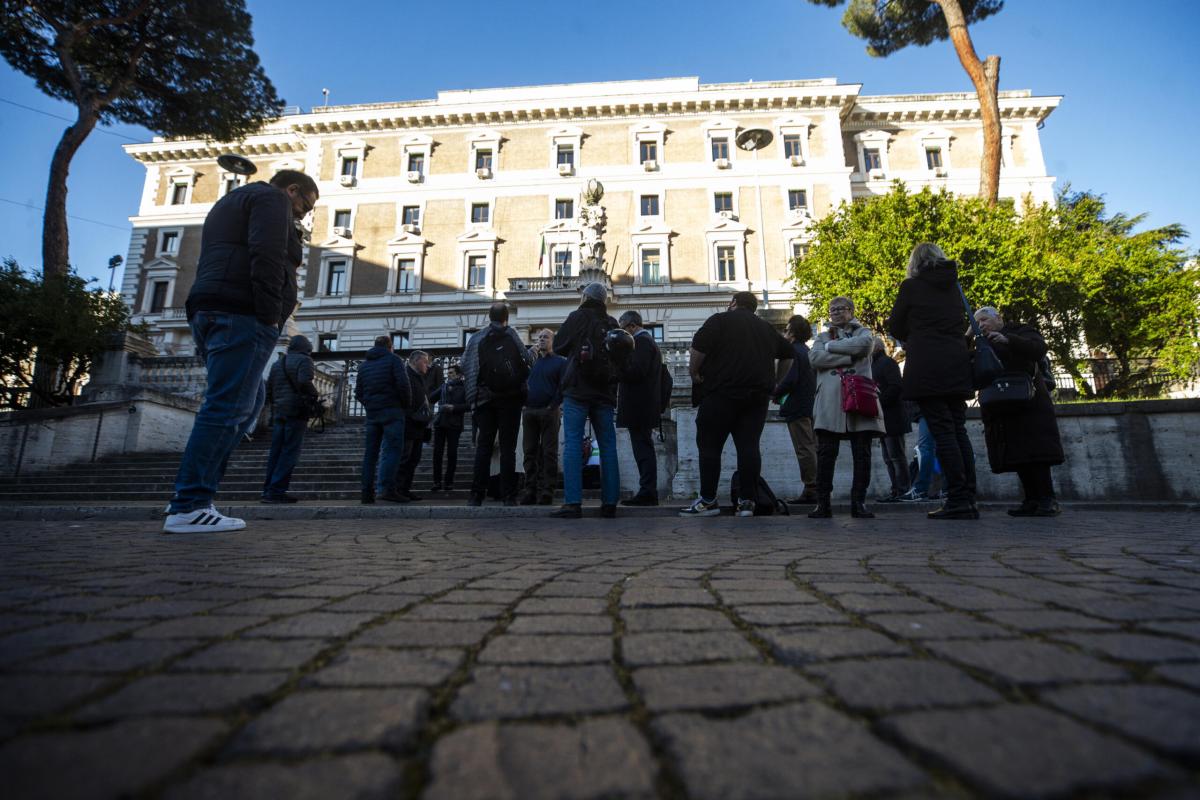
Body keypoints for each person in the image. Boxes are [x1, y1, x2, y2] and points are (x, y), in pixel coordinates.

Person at [163, 169, 317, 534]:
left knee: (247, 403)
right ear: (292, 190)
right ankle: (190, 504)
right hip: (242, 312)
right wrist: (270, 314)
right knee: (227, 406)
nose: (302, 215)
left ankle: (197, 499)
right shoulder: (272, 198)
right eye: (304, 206)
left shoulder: (229, 201)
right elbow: (267, 253)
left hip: (212, 307)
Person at [680, 291, 792, 518]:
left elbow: (698, 348)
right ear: (754, 307)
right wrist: (777, 382)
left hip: (721, 393)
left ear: (733, 303)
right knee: (749, 447)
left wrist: (694, 374)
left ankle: (708, 501)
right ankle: (746, 502)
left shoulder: (719, 320)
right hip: (756, 397)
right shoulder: (766, 328)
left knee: (710, 447)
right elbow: (788, 354)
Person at [887, 242, 979, 520]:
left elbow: (895, 325)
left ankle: (958, 499)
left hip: (928, 364)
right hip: (956, 361)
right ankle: (968, 494)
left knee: (943, 431)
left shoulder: (911, 286)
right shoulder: (954, 286)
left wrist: (915, 332)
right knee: (958, 429)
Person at [974, 307, 1065, 516]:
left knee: (1037, 452)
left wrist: (1008, 340)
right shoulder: (981, 340)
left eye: (985, 320)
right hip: (1002, 402)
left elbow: (1038, 349)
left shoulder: (1021, 331)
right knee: (1017, 453)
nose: (982, 325)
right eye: (978, 322)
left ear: (998, 318)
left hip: (1029, 400)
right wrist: (970, 334)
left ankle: (1047, 498)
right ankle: (1031, 499)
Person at [808, 297, 885, 519]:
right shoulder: (821, 336)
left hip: (859, 396)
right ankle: (823, 504)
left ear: (851, 311)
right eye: (832, 310)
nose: (835, 313)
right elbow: (815, 358)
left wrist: (831, 348)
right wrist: (849, 356)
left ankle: (858, 502)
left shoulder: (864, 333)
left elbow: (863, 346)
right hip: (830, 400)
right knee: (825, 453)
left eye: (840, 309)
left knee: (862, 453)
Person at [552, 283, 622, 519]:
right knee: (608, 446)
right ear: (604, 300)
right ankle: (610, 502)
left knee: (572, 443)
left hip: (578, 390)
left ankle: (573, 502)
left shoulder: (577, 316)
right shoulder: (612, 323)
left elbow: (559, 345)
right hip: (604, 392)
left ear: (584, 297)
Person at [464, 303, 533, 506]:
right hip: (509, 399)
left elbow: (466, 366)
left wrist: (473, 399)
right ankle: (509, 496)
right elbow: (526, 359)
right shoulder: (510, 333)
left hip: (484, 400)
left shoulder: (476, 338)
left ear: (489, 316)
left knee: (483, 447)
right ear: (506, 318)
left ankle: (476, 495)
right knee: (508, 448)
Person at [260, 335, 318, 504]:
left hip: (279, 412)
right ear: (306, 348)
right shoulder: (305, 361)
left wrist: (276, 405)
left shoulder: (277, 364)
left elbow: (268, 389)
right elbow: (304, 381)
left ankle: (268, 489)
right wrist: (314, 394)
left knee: (276, 452)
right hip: (296, 411)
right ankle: (277, 490)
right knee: (290, 452)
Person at [356, 335, 411, 504]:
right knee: (392, 451)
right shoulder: (394, 360)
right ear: (390, 346)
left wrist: (369, 404)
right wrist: (405, 405)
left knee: (370, 454)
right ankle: (387, 489)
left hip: (373, 413)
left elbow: (358, 392)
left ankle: (366, 493)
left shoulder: (364, 366)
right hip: (392, 411)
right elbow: (403, 384)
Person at [616, 310, 664, 506]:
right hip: (643, 404)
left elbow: (636, 371)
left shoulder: (642, 342)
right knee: (643, 447)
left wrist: (619, 361)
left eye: (623, 328)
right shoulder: (647, 342)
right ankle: (647, 490)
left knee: (643, 449)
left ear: (632, 326)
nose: (622, 333)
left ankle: (647, 491)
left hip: (639, 405)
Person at [773, 314, 818, 505]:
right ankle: (813, 487)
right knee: (810, 446)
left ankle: (811, 488)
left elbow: (790, 379)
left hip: (797, 406)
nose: (784, 333)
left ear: (791, 332)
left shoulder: (793, 351)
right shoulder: (806, 351)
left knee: (804, 448)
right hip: (808, 404)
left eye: (786, 329)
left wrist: (775, 392)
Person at [521, 329, 567, 505]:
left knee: (549, 453)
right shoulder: (532, 362)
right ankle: (529, 490)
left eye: (545, 337)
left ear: (552, 341)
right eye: (539, 337)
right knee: (529, 453)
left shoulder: (560, 362)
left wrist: (553, 406)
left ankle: (547, 491)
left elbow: (562, 385)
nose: (541, 340)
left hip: (549, 412)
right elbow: (522, 381)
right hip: (529, 412)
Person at [872, 337, 911, 502]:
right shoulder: (876, 364)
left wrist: (878, 403)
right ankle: (897, 489)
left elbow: (896, 387)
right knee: (889, 458)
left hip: (892, 417)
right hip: (884, 418)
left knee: (895, 457)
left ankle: (902, 490)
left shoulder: (887, 363)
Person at [394, 351, 433, 502]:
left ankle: (405, 489)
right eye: (425, 362)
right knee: (405, 459)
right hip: (408, 425)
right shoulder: (406, 375)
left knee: (413, 459)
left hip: (419, 426)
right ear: (415, 361)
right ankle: (397, 489)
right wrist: (410, 414)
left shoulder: (419, 377)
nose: (428, 366)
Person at [430, 364, 467, 492]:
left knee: (452, 454)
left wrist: (454, 408)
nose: (449, 375)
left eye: (451, 373)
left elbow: (468, 405)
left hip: (454, 424)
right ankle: (436, 482)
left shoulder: (464, 388)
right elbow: (430, 398)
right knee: (437, 454)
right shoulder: (444, 386)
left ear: (458, 375)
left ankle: (449, 482)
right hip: (440, 423)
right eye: (448, 372)